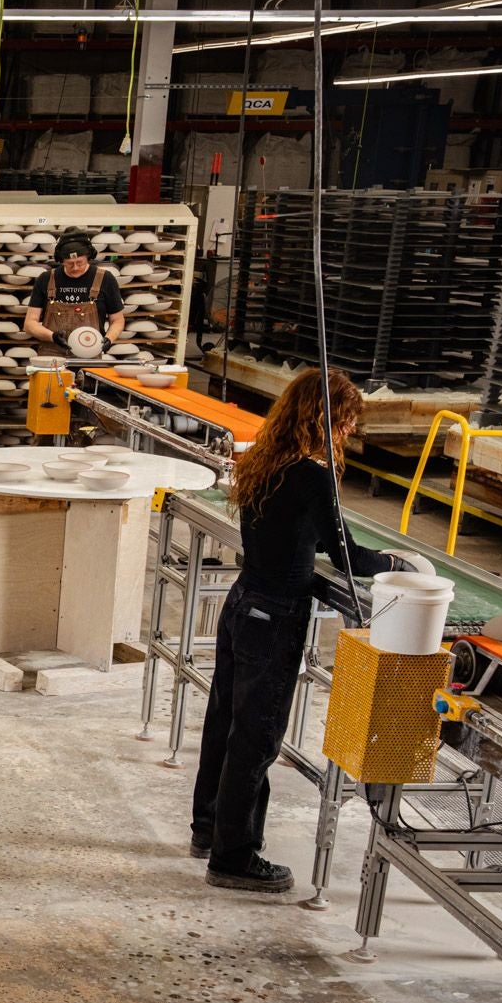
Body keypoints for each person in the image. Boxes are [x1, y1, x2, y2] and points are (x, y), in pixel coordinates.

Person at [190, 368, 401, 893]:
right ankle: (233, 858)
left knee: (225, 721)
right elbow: (346, 554)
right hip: (275, 617)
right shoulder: (313, 475)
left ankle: (209, 829)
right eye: (346, 422)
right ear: (325, 418)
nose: (347, 434)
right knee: (256, 737)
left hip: (243, 604)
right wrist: (399, 561)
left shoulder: (263, 459)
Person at [24, 232, 125, 355]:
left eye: (80, 262)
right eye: (70, 263)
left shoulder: (105, 279)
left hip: (89, 354)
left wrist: (109, 338)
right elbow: (29, 324)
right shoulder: (46, 279)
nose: (75, 267)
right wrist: (52, 336)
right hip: (52, 354)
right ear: (61, 260)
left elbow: (118, 320)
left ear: (88, 257)